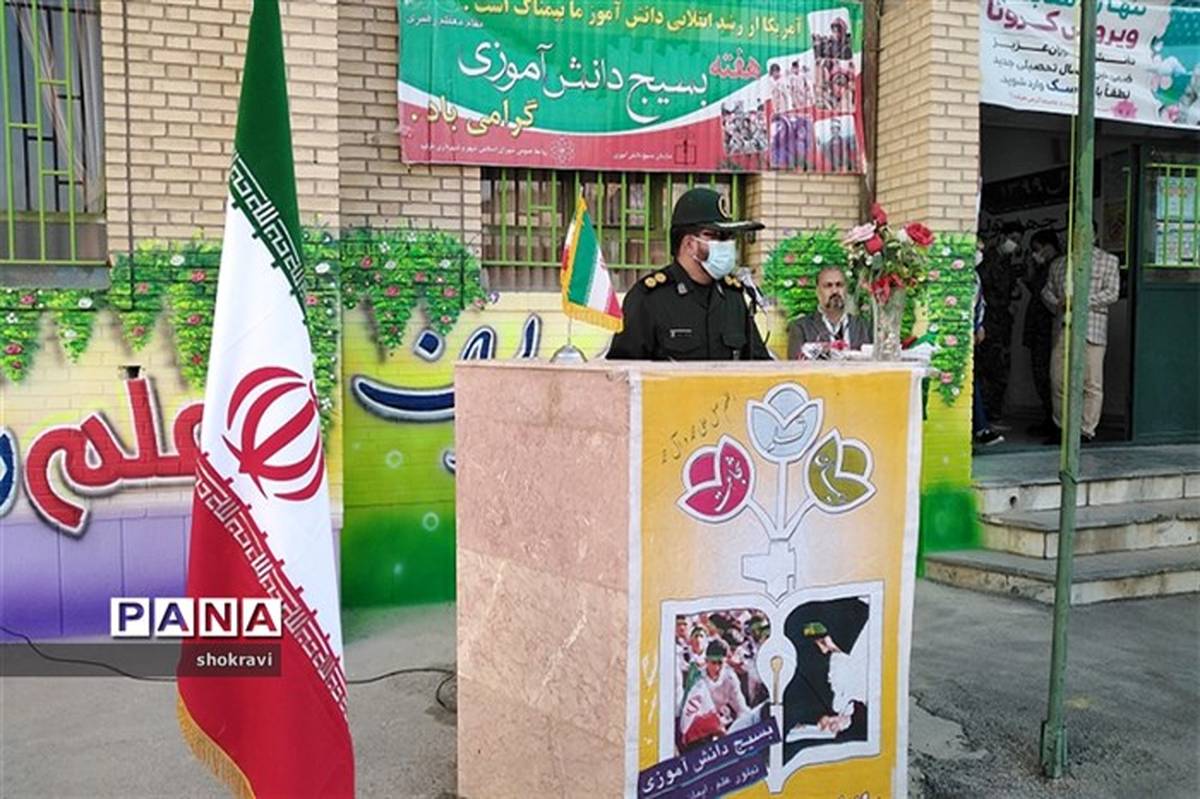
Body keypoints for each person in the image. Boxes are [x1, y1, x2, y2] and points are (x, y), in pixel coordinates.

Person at [607, 188, 770, 361]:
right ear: (689, 244)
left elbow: (759, 363)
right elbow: (621, 371)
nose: (726, 244)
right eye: (715, 236)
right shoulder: (648, 299)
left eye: (728, 236)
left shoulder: (732, 296)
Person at [1041, 227, 1120, 443]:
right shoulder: (1059, 263)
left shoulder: (1108, 260)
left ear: (1095, 236)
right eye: (1075, 232)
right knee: (1058, 381)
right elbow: (1046, 291)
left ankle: (1085, 430)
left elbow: (1112, 292)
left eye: (1085, 232)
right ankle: (1062, 428)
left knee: (1091, 383)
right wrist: (1058, 303)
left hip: (1092, 329)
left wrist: (1081, 301)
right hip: (1063, 328)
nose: (1079, 236)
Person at [976, 222, 1022, 423]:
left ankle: (993, 414)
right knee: (989, 368)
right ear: (1002, 237)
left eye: (1018, 241)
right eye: (1013, 239)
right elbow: (985, 291)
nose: (1015, 244)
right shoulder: (988, 260)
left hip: (1002, 323)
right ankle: (987, 417)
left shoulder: (1007, 261)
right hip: (989, 322)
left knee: (1000, 368)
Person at [1021, 230, 1061, 434]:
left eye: (1037, 249)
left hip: (1048, 329)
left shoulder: (1058, 267)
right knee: (1040, 376)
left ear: (1048, 246)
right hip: (1037, 328)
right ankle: (1049, 418)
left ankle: (1055, 421)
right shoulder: (1042, 267)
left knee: (1049, 377)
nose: (1035, 253)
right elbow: (1034, 289)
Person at [787, 267, 872, 358]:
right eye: (828, 286)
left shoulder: (864, 327)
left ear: (846, 289)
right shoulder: (801, 328)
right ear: (817, 291)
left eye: (839, 285)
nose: (835, 291)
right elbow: (795, 364)